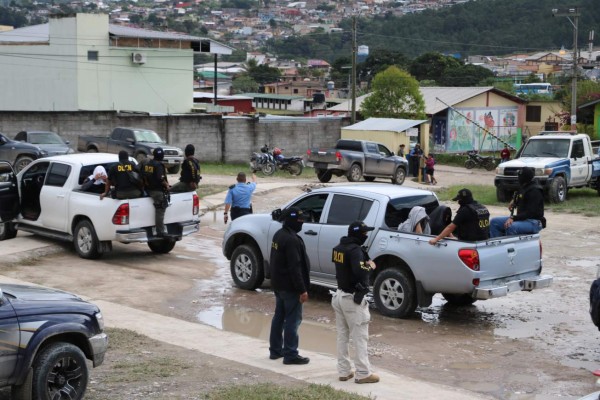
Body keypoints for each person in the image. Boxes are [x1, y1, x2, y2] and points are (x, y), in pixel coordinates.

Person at [331, 221, 379, 384]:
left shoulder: (338, 247)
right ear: (358, 234)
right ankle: (363, 373)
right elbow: (360, 272)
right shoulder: (355, 250)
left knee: (342, 335)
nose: (366, 236)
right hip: (352, 299)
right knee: (360, 337)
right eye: (364, 233)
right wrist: (371, 266)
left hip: (338, 295)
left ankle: (344, 371)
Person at [268, 207, 311, 365]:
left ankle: (275, 350)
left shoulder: (279, 235)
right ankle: (291, 354)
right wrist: (302, 290)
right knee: (293, 321)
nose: (302, 224)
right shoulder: (291, 240)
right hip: (291, 287)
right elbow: (295, 267)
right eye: (300, 221)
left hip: (279, 285)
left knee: (279, 318)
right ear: (293, 221)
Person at [489, 167, 545, 237]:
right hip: (522, 219)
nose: (518, 178)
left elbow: (530, 213)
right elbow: (520, 196)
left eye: (519, 176)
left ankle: (508, 246)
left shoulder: (535, 191)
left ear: (524, 178)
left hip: (533, 221)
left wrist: (513, 218)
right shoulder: (524, 187)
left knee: (510, 226)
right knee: (494, 222)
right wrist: (514, 201)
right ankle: (497, 245)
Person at [141, 148, 170, 237]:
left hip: (148, 190)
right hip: (157, 191)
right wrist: (167, 186)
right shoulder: (159, 165)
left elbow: (143, 176)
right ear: (162, 156)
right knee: (161, 209)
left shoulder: (148, 164)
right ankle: (160, 231)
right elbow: (160, 178)